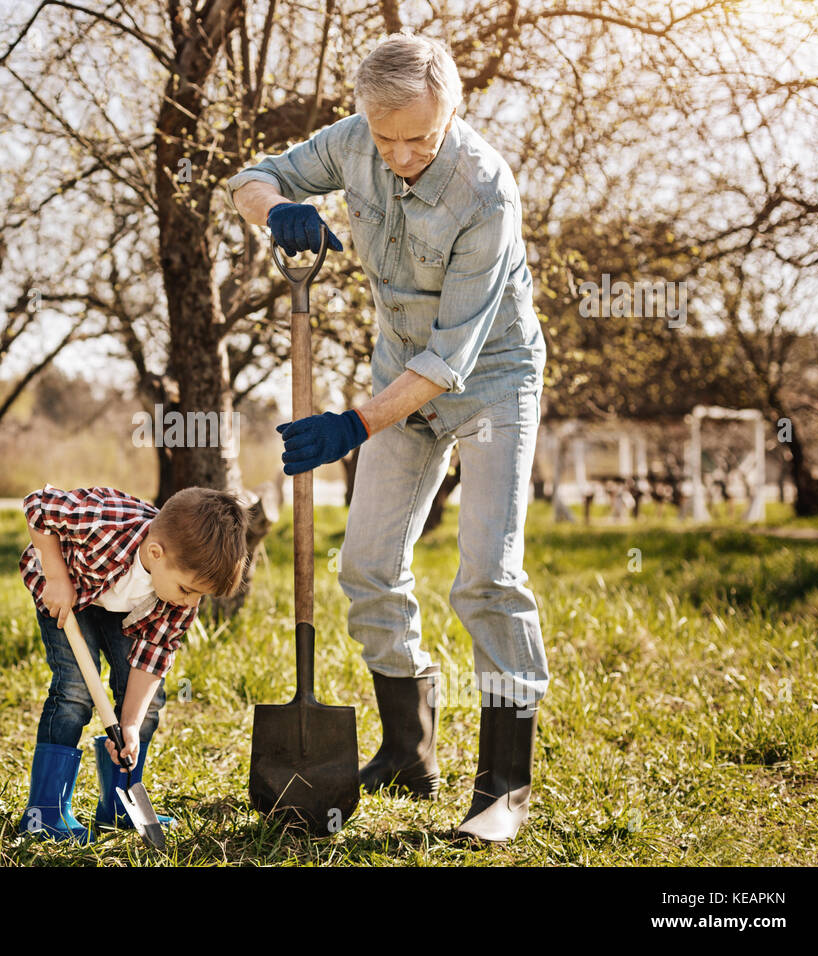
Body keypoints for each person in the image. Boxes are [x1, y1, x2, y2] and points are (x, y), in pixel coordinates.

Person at [226, 31, 550, 843]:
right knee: (366, 565)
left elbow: (452, 359)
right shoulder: (353, 141)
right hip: (401, 368)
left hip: (490, 381)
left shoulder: (486, 191)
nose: (402, 154)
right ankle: (408, 751)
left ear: (452, 116)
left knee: (486, 576)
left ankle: (505, 788)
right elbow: (250, 177)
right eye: (386, 137)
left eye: (422, 138)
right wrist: (281, 209)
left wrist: (351, 425)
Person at [17, 483, 249, 842]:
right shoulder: (103, 524)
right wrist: (57, 576)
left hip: (122, 609)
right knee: (75, 693)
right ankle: (44, 813)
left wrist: (129, 725)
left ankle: (118, 804)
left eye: (199, 595)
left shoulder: (178, 597)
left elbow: (154, 656)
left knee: (145, 705)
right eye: (188, 590)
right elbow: (38, 505)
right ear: (156, 553)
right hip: (68, 593)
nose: (190, 603)